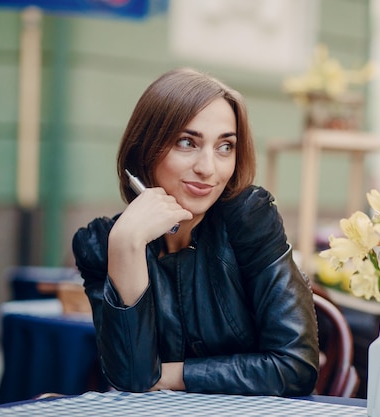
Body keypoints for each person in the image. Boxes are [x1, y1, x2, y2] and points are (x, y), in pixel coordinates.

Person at [72, 68, 319, 396]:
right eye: (187, 143)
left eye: (225, 147)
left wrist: (173, 375)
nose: (208, 168)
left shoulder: (248, 219)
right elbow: (131, 379)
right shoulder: (104, 245)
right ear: (146, 148)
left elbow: (296, 366)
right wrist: (126, 244)